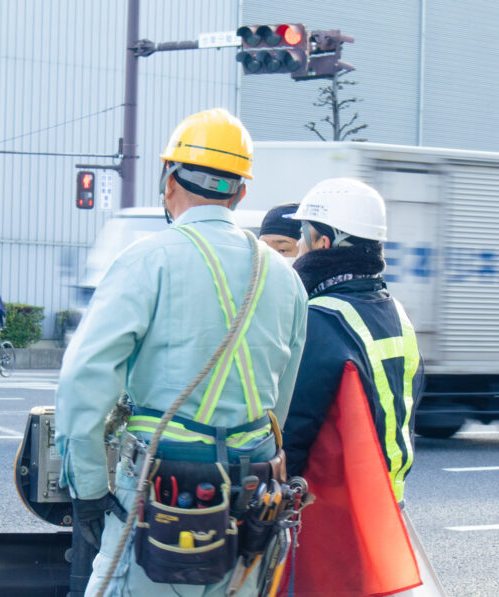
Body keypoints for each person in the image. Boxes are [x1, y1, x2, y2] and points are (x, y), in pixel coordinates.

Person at [54, 108, 308, 597]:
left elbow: (84, 380)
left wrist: (88, 489)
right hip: (251, 499)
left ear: (167, 179)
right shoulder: (285, 279)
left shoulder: (147, 260)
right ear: (240, 192)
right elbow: (280, 404)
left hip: (157, 494)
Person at [283, 178, 424, 504]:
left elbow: (294, 428)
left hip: (337, 510)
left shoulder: (322, 318)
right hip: (387, 503)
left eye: (302, 235)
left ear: (322, 243)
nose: (298, 248)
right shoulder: (398, 314)